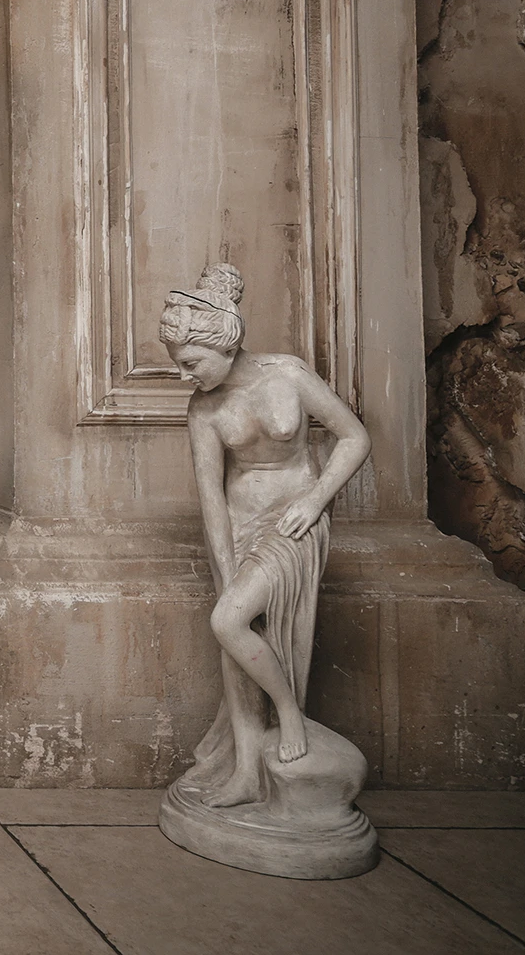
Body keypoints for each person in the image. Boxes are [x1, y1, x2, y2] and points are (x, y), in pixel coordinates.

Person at [159, 264, 370, 810]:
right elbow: (211, 496)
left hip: (293, 522)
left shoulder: (288, 375)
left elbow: (354, 438)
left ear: (224, 345)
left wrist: (315, 500)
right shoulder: (203, 409)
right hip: (239, 525)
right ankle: (248, 770)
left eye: (190, 363)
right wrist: (224, 564)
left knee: (228, 622)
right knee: (233, 634)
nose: (184, 376)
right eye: (178, 364)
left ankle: (290, 713)